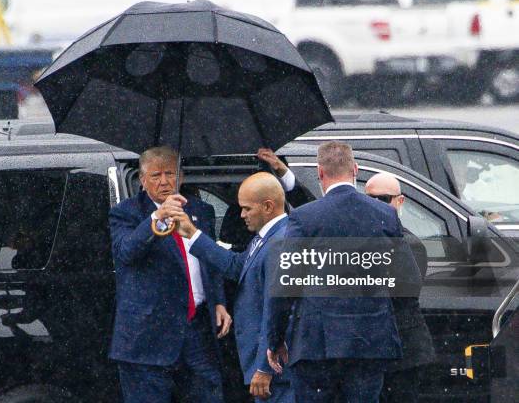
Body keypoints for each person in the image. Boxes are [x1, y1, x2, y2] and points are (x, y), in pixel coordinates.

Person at [267, 141, 420, 403]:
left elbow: (285, 284)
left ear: (320, 173)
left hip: (317, 343)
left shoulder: (305, 218)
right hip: (369, 341)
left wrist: (275, 338)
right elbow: (408, 281)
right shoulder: (385, 214)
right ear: (356, 170)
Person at [108, 146, 231, 403]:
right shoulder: (126, 213)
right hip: (148, 335)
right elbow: (126, 252)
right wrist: (158, 217)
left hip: (196, 329)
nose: (164, 181)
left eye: (169, 173)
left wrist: (219, 301)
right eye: (155, 176)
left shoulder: (201, 211)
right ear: (142, 181)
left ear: (181, 177)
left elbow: (210, 260)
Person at [174, 172, 295, 403]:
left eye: (247, 209)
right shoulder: (266, 238)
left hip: (274, 369)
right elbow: (236, 266)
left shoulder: (280, 243)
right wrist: (192, 233)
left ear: (268, 206)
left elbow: (277, 313)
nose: (241, 215)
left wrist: (265, 368)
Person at [364, 173, 435, 403]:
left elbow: (397, 293)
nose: (375, 206)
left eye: (383, 199)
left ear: (399, 201)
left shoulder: (409, 244)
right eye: (369, 199)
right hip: (373, 351)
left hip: (403, 352)